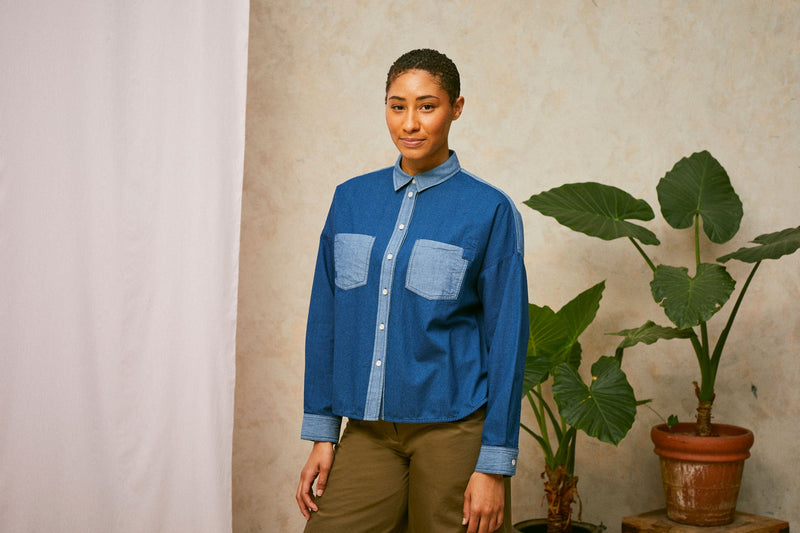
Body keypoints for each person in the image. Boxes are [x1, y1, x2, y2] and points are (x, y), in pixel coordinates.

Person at [295, 48, 529, 533]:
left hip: (454, 428)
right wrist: (323, 432)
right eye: (397, 105)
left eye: (427, 105)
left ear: (456, 108)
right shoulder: (351, 199)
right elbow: (326, 319)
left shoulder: (489, 210)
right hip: (368, 429)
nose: (410, 123)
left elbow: (507, 342)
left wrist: (493, 465)